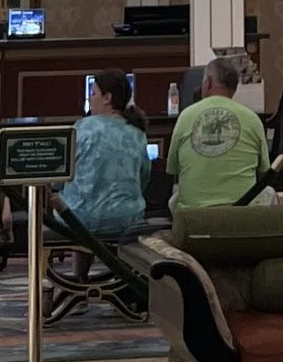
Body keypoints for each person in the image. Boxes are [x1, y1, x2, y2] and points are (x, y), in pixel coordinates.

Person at [167, 55, 270, 211]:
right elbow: (264, 173)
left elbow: (173, 171)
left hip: (194, 217)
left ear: (208, 82)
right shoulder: (252, 119)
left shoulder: (185, 116)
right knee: (269, 193)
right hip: (242, 216)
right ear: (234, 87)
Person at [58, 69, 152, 234]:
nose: (90, 98)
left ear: (107, 98)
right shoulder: (138, 133)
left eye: (93, 93)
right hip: (127, 218)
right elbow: (144, 177)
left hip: (80, 219)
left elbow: (61, 173)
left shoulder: (81, 127)